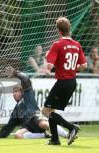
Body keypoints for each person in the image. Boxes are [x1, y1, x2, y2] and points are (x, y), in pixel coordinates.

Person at [41, 17, 87, 145]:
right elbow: (84, 65)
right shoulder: (77, 45)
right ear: (69, 29)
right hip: (72, 82)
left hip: (62, 83)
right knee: (51, 111)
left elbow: (49, 67)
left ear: (58, 30)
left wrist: (47, 56)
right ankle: (55, 139)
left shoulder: (57, 44)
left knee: (45, 111)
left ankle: (72, 127)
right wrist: (72, 69)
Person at [0, 66, 68, 139]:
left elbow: (26, 79)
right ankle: (44, 135)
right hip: (29, 127)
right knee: (17, 135)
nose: (14, 94)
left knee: (43, 124)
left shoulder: (28, 96)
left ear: (22, 92)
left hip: (37, 118)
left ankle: (66, 134)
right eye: (13, 92)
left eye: (16, 91)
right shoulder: (16, 109)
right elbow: (9, 126)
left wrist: (16, 73)